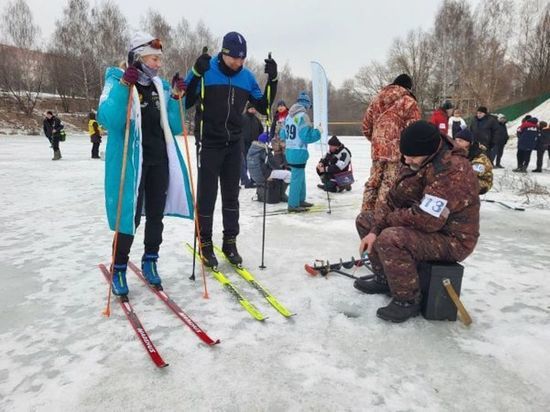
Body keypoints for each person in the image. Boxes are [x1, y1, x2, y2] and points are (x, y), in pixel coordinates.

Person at [354, 120, 480, 323]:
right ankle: (385, 278)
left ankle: (407, 300)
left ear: (429, 151)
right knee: (365, 221)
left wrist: (387, 223)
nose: (406, 159)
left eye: (411, 156)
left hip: (452, 238)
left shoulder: (453, 171)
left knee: (391, 238)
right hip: (428, 227)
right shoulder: (415, 159)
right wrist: (374, 229)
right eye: (404, 154)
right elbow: (393, 200)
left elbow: (427, 219)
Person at [98, 32, 194, 296]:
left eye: (159, 59)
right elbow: (110, 120)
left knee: (155, 215)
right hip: (132, 163)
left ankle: (150, 260)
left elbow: (174, 126)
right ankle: (118, 267)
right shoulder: (116, 80)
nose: (157, 64)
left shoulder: (159, 86)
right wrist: (123, 89)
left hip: (158, 161)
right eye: (153, 58)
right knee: (128, 217)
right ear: (137, 57)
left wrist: (176, 98)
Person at [184, 31, 278, 267]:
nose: (239, 62)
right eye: (234, 58)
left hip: (233, 143)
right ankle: (205, 242)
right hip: (209, 142)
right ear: (223, 53)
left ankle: (229, 241)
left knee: (231, 195)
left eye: (242, 58)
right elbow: (185, 101)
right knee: (207, 195)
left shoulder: (246, 77)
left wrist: (273, 80)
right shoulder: (206, 70)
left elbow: (264, 106)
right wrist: (195, 73)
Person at [361, 73, 421, 211]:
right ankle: (380, 216)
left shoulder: (376, 99)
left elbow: (366, 126)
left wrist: (377, 141)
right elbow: (413, 129)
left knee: (373, 183)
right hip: (397, 151)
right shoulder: (409, 102)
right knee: (389, 184)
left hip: (377, 150)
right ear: (408, 87)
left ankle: (365, 214)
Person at [279, 91, 321, 212]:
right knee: (297, 178)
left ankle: (300, 199)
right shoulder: (303, 116)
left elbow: (282, 134)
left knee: (300, 175)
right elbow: (306, 137)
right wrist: (318, 132)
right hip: (299, 151)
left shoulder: (288, 116)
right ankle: (293, 205)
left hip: (290, 150)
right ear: (307, 104)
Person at [247, 132, 290, 203]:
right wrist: (282, 168)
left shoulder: (252, 148)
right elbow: (273, 164)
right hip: (263, 175)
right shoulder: (264, 150)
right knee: (288, 175)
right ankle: (282, 195)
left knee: (278, 174)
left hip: (254, 176)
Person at [453, 128, 493, 194]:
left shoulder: (480, 157)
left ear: (469, 143)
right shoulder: (457, 152)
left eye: (460, 141)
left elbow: (472, 174)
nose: (457, 143)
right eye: (456, 140)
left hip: (481, 182)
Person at [240, 104, 263, 188]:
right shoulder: (243, 118)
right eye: (251, 109)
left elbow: (261, 130)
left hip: (254, 144)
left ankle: (253, 179)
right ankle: (244, 180)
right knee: (244, 163)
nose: (253, 110)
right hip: (244, 143)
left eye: (254, 109)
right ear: (248, 109)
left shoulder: (256, 119)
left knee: (253, 162)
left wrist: (259, 139)